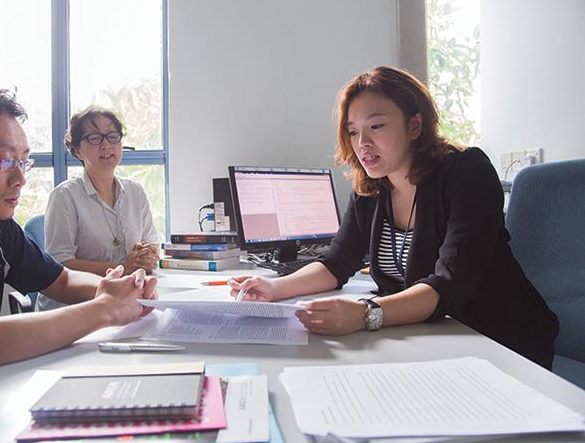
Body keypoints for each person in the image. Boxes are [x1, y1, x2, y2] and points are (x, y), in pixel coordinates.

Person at [228, 66, 558, 369]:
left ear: (414, 125)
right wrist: (273, 287)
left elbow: (449, 283)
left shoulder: (466, 172)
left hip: (497, 340)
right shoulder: (370, 189)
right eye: (354, 132)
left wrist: (366, 314)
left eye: (376, 126)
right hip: (428, 339)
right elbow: (337, 261)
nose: (363, 144)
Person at [0, 81, 157, 424]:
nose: (20, 179)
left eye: (23, 162)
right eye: (3, 160)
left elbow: (63, 279)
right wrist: (104, 309)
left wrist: (120, 289)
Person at [36, 107, 160, 311]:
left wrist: (147, 255)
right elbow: (60, 264)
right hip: (74, 306)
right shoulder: (64, 196)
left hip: (123, 300)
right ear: (77, 150)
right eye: (94, 138)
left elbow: (153, 245)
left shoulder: (135, 192)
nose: (106, 145)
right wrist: (124, 267)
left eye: (113, 136)